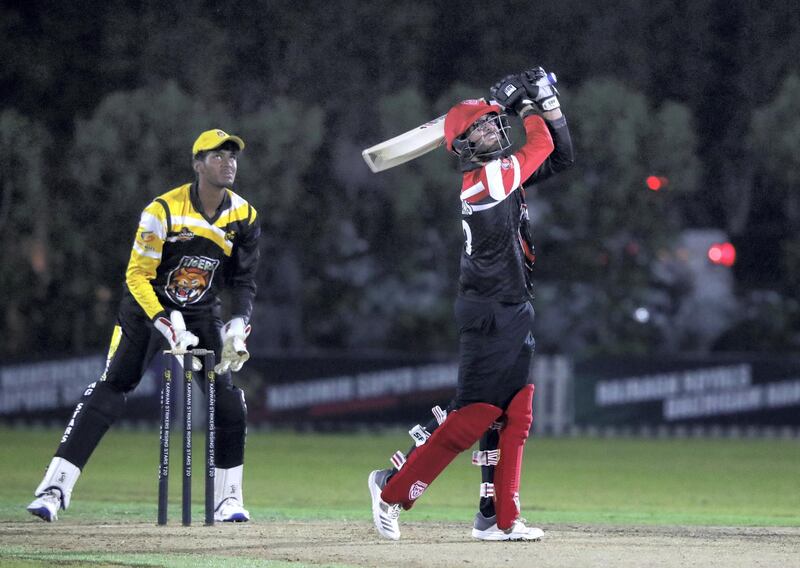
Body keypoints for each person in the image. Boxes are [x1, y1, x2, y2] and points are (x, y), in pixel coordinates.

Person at [368, 67, 574, 541]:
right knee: (474, 416)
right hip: (487, 310)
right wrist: (525, 105)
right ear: (462, 146)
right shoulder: (486, 180)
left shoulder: (503, 175)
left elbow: (563, 157)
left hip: (513, 304)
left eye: (489, 122)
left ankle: (502, 520)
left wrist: (543, 100)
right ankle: (391, 491)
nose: (488, 129)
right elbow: (541, 146)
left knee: (518, 410)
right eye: (477, 127)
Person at [27, 129, 261, 523]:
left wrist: (239, 323)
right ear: (197, 164)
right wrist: (163, 321)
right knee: (112, 388)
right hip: (146, 309)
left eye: (232, 156)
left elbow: (243, 280)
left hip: (202, 312)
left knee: (227, 400)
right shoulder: (162, 211)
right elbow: (137, 276)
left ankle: (229, 500)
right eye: (217, 155)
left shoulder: (245, 216)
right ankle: (54, 488)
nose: (228, 162)